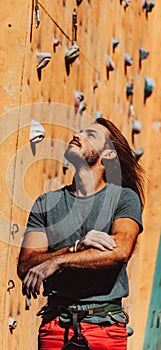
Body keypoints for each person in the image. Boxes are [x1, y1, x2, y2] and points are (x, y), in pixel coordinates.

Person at [17, 117, 145, 350]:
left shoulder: (123, 199)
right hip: (56, 325)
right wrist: (76, 248)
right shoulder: (46, 203)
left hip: (104, 328)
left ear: (108, 155)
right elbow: (27, 265)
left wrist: (58, 260)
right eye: (80, 130)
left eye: (91, 135)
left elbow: (119, 250)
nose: (78, 135)